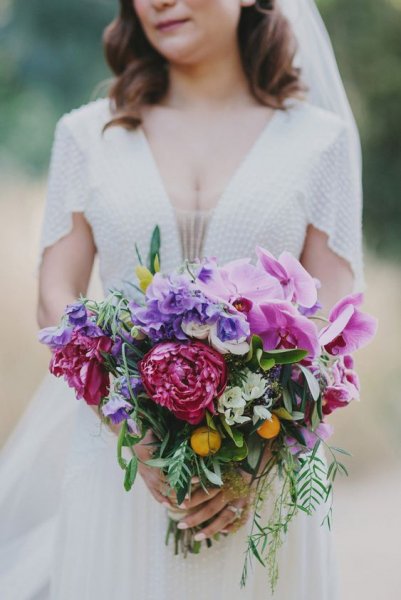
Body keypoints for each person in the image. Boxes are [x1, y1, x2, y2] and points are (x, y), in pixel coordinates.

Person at [0, 0, 365, 598]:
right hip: (116, 471)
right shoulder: (85, 135)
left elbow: (337, 325)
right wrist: (130, 427)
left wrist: (256, 457)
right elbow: (54, 297)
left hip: (263, 484)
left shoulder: (320, 142)